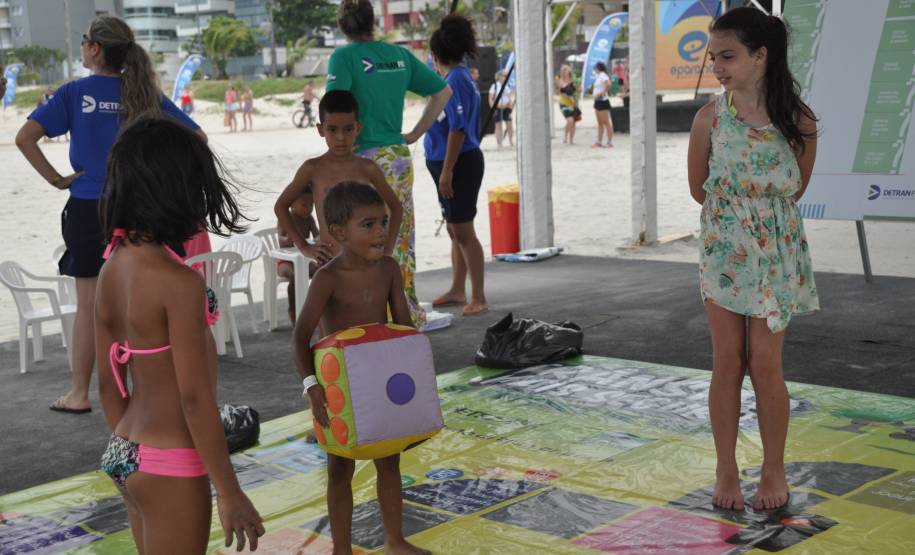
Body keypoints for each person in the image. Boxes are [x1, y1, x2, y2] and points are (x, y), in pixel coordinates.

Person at [15, 15, 205, 415]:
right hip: (141, 205)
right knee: (142, 299)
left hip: (89, 206)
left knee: (89, 305)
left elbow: (25, 138)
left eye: (85, 41)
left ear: (95, 49)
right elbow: (197, 138)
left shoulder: (74, 92)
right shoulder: (144, 93)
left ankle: (80, 394)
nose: (83, 46)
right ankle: (144, 393)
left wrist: (55, 179)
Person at [96, 116, 263, 553]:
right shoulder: (179, 283)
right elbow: (194, 398)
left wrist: (132, 451)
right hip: (169, 459)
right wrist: (229, 491)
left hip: (124, 449)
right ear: (178, 191)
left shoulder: (112, 266)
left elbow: (108, 382)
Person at [687, 7, 819, 512]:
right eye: (713, 56)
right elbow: (700, 190)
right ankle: (725, 465)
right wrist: (738, 222)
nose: (717, 66)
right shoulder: (709, 118)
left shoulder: (799, 120)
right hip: (725, 247)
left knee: (766, 363)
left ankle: (773, 466)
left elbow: (797, 187)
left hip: (777, 249)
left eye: (728, 56)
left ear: (761, 56)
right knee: (728, 360)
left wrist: (762, 221)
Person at [295, 181, 431, 555]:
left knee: (390, 461)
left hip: (380, 379)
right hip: (339, 386)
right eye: (368, 225)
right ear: (339, 232)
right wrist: (312, 388)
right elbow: (300, 336)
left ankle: (394, 539)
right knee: (340, 471)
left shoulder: (388, 268)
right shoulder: (328, 278)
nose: (381, 231)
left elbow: (404, 329)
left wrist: (418, 380)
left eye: (384, 222)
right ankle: (341, 548)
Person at [326, 0, 452, 329]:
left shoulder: (343, 57)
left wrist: (339, 145)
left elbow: (335, 106)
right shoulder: (398, 55)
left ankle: (368, 311)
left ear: (342, 26)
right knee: (399, 236)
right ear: (373, 22)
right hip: (397, 156)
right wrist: (414, 133)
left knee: (361, 235)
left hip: (363, 157)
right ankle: (404, 310)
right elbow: (442, 92)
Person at [274, 90, 404, 296]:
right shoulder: (312, 169)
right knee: (334, 322)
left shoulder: (367, 168)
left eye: (348, 129)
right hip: (331, 263)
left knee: (369, 318)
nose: (341, 138)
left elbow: (396, 208)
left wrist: (386, 250)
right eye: (332, 130)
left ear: (358, 128)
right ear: (320, 129)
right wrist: (304, 247)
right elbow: (281, 206)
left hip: (367, 263)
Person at [425, 15, 487, 316]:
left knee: (463, 230)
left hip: (459, 163)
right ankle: (457, 288)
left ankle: (479, 295)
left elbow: (458, 130)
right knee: (454, 229)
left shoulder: (457, 80)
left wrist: (447, 171)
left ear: (436, 55)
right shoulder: (452, 78)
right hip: (447, 162)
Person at [277, 191, 319, 323]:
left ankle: (316, 308)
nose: (308, 209)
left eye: (311, 205)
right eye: (304, 205)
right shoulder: (286, 218)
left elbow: (317, 235)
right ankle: (293, 309)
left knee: (322, 271)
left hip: (304, 259)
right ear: (292, 205)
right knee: (295, 276)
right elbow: (281, 238)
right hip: (285, 261)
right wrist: (287, 239)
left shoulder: (309, 219)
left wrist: (320, 239)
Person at [488, 70, 515, 148]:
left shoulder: (507, 87)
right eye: (504, 76)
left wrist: (509, 105)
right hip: (497, 108)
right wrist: (493, 107)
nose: (506, 78)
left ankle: (511, 141)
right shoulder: (494, 86)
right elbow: (490, 98)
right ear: (499, 76)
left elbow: (509, 97)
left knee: (509, 125)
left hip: (507, 107)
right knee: (498, 125)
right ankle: (499, 143)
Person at [555, 65, 580, 145]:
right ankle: (565, 136)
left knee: (574, 122)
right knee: (570, 120)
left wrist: (578, 90)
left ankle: (571, 140)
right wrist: (562, 92)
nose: (564, 72)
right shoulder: (559, 81)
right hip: (564, 103)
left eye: (566, 70)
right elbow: (557, 92)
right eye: (563, 70)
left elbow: (578, 90)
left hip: (573, 103)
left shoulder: (573, 81)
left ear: (569, 71)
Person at [591, 61, 613, 148]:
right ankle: (599, 142)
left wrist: (602, 93)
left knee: (606, 122)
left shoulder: (603, 75)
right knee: (600, 123)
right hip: (598, 101)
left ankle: (609, 142)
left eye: (595, 67)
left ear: (598, 68)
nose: (594, 69)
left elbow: (609, 84)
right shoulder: (598, 76)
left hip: (603, 101)